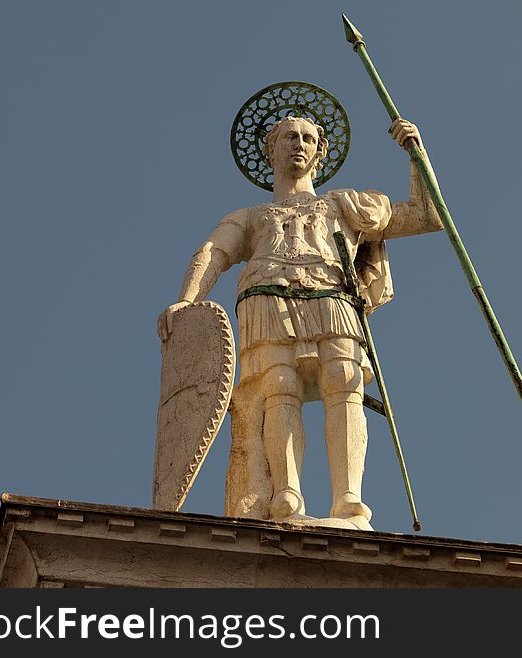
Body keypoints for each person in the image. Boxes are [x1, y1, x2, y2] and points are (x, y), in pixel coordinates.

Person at [158, 116, 440, 529]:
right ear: (270, 149)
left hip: (332, 295)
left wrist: (417, 156)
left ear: (320, 153)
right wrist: (186, 301)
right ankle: (286, 497)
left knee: (344, 379)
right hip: (266, 297)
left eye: (309, 138)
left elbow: (425, 215)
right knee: (278, 386)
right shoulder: (252, 216)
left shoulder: (345, 204)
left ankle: (349, 504)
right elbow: (212, 251)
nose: (300, 144)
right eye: (290, 136)